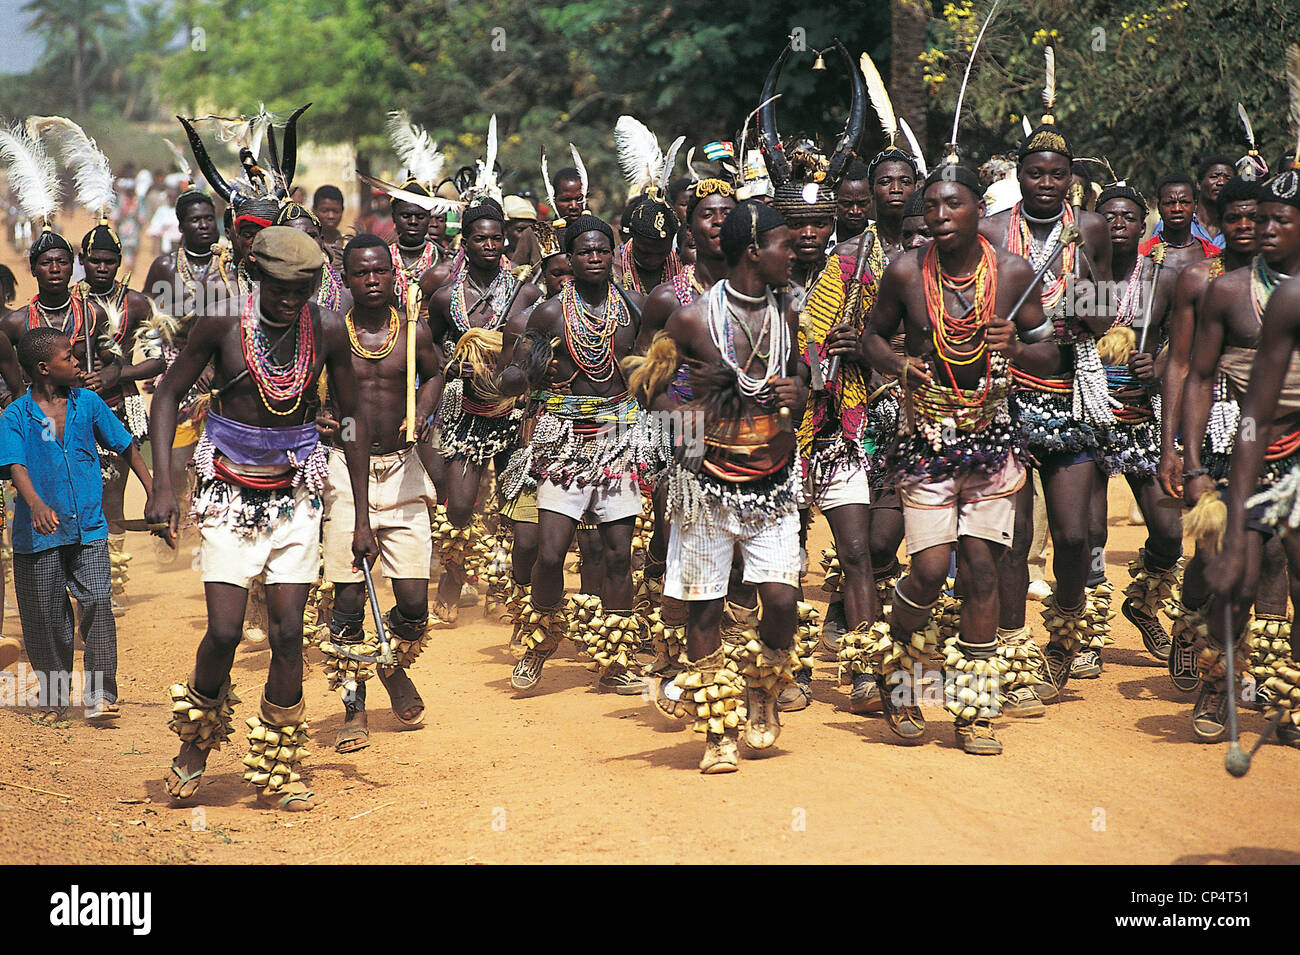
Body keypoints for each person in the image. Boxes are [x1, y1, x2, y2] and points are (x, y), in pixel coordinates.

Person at [148, 227, 377, 812]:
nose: (289, 301)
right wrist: (164, 489)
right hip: (227, 488)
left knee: (287, 633)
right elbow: (167, 394)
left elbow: (352, 419)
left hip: (297, 490)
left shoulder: (326, 328)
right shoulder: (222, 321)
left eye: (301, 290)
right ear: (256, 276)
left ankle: (277, 766)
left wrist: (360, 515)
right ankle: (196, 744)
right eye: (279, 289)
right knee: (224, 633)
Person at [861, 165, 1057, 754]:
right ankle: (897, 675)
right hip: (926, 440)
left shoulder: (1014, 272)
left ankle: (973, 710)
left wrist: (1019, 347)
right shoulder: (905, 272)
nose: (940, 215)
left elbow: (1052, 353)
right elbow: (869, 334)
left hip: (992, 440)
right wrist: (898, 367)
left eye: (954, 204)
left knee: (980, 568)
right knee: (927, 568)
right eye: (933, 206)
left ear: (979, 211)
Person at [648, 200, 807, 773]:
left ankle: (763, 685)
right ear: (753, 252)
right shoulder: (692, 320)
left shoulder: (786, 313)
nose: (795, 252)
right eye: (785, 244)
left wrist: (799, 395)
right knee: (705, 609)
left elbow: (800, 381)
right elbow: (650, 390)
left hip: (774, 482)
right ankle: (718, 730)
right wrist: (696, 418)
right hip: (707, 484)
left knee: (783, 600)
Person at [979, 110, 1113, 704]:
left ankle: (1064, 629)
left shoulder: (1091, 229)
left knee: (1075, 533)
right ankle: (1011, 653)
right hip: (1006, 398)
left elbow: (1102, 311)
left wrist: (1077, 311)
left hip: (1071, 394)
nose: (1046, 184)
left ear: (1071, 180)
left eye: (1057, 175)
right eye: (1035, 173)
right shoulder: (988, 230)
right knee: (1014, 533)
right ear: (1021, 175)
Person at [501, 215, 648, 695]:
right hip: (564, 439)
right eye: (585, 251)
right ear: (570, 256)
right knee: (549, 552)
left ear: (612, 254)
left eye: (603, 250)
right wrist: (512, 378)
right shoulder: (546, 314)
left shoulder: (633, 308)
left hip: (618, 436)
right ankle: (540, 642)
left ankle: (615, 659)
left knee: (618, 555)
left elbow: (649, 370)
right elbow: (520, 372)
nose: (595, 258)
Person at [317, 235, 442, 753]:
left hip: (403, 468)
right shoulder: (330, 335)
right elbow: (299, 390)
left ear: (395, 276)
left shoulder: (414, 332)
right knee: (347, 601)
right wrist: (318, 415)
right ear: (346, 280)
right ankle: (354, 710)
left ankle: (388, 662)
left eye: (380, 273)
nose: (372, 281)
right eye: (361, 274)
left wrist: (421, 409)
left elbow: (436, 373)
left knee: (414, 605)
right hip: (347, 471)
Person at [1191, 169, 1300, 744]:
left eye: (1281, 219)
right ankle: (1220, 683)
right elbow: (1200, 376)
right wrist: (1191, 465)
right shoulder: (1231, 292)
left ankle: (1292, 699)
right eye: (1262, 219)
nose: (1265, 229)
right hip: (1254, 450)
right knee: (1239, 579)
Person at [0, 327, 157, 722]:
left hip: (89, 526)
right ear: (43, 368)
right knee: (45, 620)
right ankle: (54, 699)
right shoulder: (16, 415)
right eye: (68, 358)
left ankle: (101, 695)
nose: (77, 363)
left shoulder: (88, 403)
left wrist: (154, 488)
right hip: (39, 535)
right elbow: (15, 464)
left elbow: (124, 445)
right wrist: (34, 503)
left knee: (98, 605)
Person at [425, 198, 541, 622]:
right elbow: (430, 348)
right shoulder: (443, 297)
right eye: (480, 239)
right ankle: (453, 581)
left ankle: (507, 590)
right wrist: (457, 362)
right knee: (459, 505)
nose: (490, 246)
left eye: (496, 238)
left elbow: (538, 346)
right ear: (465, 242)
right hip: (465, 409)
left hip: (513, 412)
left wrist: (516, 373)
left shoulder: (526, 292)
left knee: (514, 508)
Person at [1085, 183, 1182, 676]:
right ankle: (1081, 632)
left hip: (1142, 419)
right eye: (1109, 216)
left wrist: (1156, 366)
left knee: (1169, 532)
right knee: (1089, 534)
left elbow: (1181, 349)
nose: (1118, 223)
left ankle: (1143, 600)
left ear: (1144, 225)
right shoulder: (1083, 274)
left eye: (1128, 216)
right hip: (1087, 419)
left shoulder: (1161, 278)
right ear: (1095, 224)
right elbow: (1060, 336)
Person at [78, 217, 166, 614]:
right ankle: (80, 576)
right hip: (72, 411)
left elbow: (158, 360)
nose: (101, 267)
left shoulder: (137, 304)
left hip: (118, 409)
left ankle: (111, 581)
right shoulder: (70, 302)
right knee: (79, 494)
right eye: (94, 260)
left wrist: (120, 372)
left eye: (108, 261)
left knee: (112, 494)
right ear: (83, 260)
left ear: (118, 261)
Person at [274, 201, 352, 313]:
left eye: (311, 236)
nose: (305, 243)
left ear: (322, 241)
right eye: (293, 237)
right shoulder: (267, 294)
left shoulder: (345, 289)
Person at [1139, 174, 1219, 270]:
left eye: (1184, 202)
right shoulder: (1142, 254)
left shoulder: (1213, 255)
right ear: (1159, 207)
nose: (1177, 209)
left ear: (1195, 205)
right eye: (1169, 203)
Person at [389, 182, 440, 306]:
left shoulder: (441, 260)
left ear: (429, 218)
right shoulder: (383, 258)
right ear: (394, 218)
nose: (413, 222)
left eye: (420, 217)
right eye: (405, 216)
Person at [1192, 155, 1237, 249]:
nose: (1221, 182)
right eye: (1214, 177)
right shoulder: (1177, 224)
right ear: (1199, 184)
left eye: (1228, 178)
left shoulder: (1239, 228)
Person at [834, 159, 872, 244]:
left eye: (862, 204)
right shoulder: (823, 237)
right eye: (846, 204)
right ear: (835, 201)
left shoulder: (882, 237)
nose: (855, 211)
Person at [312, 185, 346, 269]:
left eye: (336, 211)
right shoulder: (309, 244)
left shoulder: (348, 244)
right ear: (314, 210)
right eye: (325, 211)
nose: (331, 216)